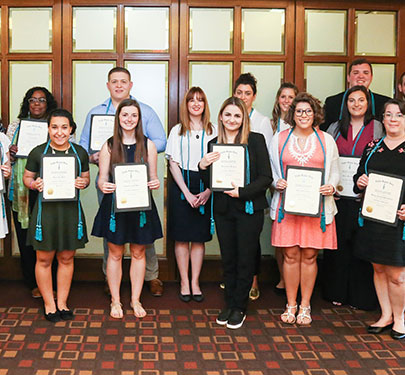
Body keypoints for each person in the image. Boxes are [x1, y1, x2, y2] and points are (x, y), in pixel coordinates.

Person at [79, 67, 166, 297]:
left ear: (130, 84)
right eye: (114, 81)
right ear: (108, 85)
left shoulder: (144, 111)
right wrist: (94, 156)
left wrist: (139, 142)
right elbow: (83, 146)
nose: (119, 85)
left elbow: (161, 140)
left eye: (123, 81)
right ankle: (111, 279)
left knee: (142, 234)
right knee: (113, 234)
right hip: (110, 180)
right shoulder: (95, 113)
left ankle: (151, 275)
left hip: (139, 184)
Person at [199, 97, 272, 329]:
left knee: (245, 259)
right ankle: (229, 303)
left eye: (237, 115)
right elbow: (210, 181)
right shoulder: (213, 143)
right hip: (223, 210)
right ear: (221, 117)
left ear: (244, 119)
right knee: (228, 258)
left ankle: (240, 307)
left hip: (248, 208)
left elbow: (266, 178)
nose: (232, 120)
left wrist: (242, 192)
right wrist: (203, 165)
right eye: (228, 115)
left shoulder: (256, 141)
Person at [270, 93, 339, 325]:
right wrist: (276, 183)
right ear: (292, 114)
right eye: (299, 111)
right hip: (287, 208)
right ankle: (291, 304)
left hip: (316, 209)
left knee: (309, 256)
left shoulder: (326, 140)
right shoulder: (279, 139)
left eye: (308, 111)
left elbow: (335, 172)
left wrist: (331, 186)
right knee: (290, 255)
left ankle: (305, 306)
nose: (303, 115)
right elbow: (271, 172)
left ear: (315, 113)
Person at [92, 99, 162, 318]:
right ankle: (115, 301)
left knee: (139, 253)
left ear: (139, 119)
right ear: (118, 118)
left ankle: (135, 300)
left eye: (134, 115)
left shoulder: (149, 145)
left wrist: (155, 182)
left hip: (141, 207)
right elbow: (101, 179)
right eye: (125, 115)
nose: (129, 119)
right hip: (115, 207)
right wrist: (104, 185)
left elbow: (153, 177)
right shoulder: (109, 145)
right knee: (115, 254)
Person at [23, 108, 90, 323]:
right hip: (46, 213)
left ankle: (62, 302)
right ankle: (49, 303)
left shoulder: (79, 153)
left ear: (71, 129)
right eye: (54, 127)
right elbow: (27, 177)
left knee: (66, 257)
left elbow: (86, 178)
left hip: (70, 212)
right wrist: (34, 184)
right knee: (43, 258)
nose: (59, 132)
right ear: (48, 128)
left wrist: (83, 182)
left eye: (64, 127)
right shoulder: (37, 152)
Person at [322, 85, 383, 310]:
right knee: (338, 247)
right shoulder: (335, 128)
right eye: (352, 100)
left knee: (361, 247)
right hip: (338, 197)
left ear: (368, 104)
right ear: (345, 104)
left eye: (361, 100)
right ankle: (336, 292)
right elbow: (325, 158)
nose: (356, 104)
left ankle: (360, 296)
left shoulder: (378, 127)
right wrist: (329, 186)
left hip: (365, 198)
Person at [354, 99, 405, 340]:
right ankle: (385, 315)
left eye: (399, 115)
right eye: (389, 115)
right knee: (378, 267)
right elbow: (359, 174)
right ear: (382, 119)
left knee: (397, 274)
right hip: (375, 218)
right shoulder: (372, 146)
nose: (393, 119)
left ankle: (400, 317)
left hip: (400, 222)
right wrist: (360, 181)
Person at [6, 87, 58, 298]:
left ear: (48, 103)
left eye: (42, 100)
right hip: (20, 189)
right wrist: (10, 151)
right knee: (25, 236)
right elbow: (4, 157)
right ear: (27, 103)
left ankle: (53, 280)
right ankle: (32, 282)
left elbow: (68, 152)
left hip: (49, 186)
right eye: (32, 100)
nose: (37, 104)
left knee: (48, 236)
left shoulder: (56, 124)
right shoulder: (16, 126)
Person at [166, 87, 216, 302]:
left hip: (206, 183)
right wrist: (186, 193)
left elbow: (220, 165)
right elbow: (173, 163)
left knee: (198, 238)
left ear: (205, 105)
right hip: (181, 185)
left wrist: (207, 191)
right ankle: (184, 282)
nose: (196, 104)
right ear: (186, 105)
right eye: (192, 100)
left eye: (200, 100)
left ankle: (195, 282)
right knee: (181, 237)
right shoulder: (177, 130)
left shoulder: (215, 130)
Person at [233, 72, 272, 300]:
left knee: (251, 240)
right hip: (231, 189)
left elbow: (264, 159)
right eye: (239, 92)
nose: (243, 97)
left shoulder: (262, 121)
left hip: (252, 190)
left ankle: (253, 280)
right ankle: (236, 279)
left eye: (247, 93)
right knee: (234, 239)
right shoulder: (228, 117)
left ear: (254, 97)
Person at [270, 82, 298, 296]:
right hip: (274, 185)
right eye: (283, 97)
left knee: (294, 236)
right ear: (278, 100)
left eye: (291, 97)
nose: (287, 101)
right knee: (279, 235)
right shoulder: (270, 124)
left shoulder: (303, 124)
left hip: (298, 188)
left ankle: (291, 279)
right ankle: (282, 275)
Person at [322, 58, 391, 131]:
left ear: (371, 77)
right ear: (348, 78)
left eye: (365, 73)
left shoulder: (385, 103)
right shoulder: (332, 102)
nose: (361, 76)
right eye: (356, 73)